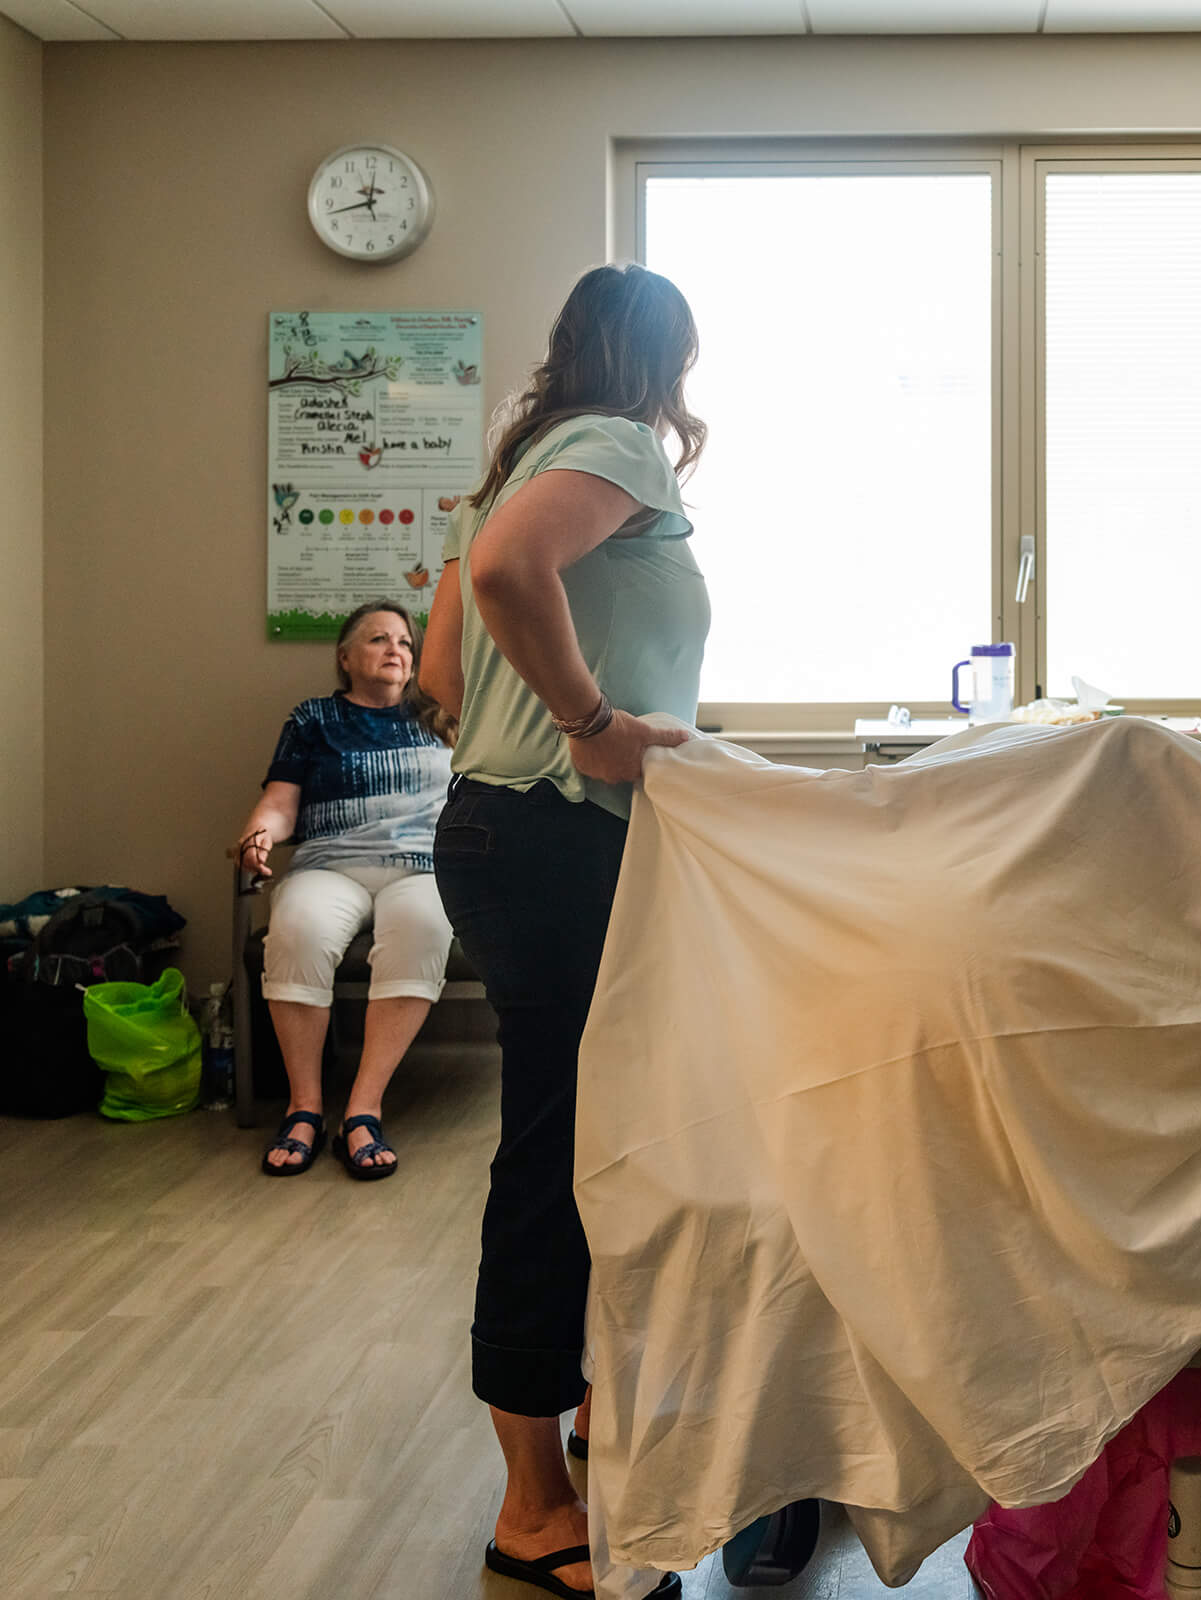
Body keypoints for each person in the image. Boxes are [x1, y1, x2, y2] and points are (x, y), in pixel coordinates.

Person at [419, 262, 705, 1600]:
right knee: (553, 1163)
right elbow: (501, 572)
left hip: (497, 834)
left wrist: (560, 720)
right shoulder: (616, 446)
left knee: (582, 1147)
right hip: (551, 843)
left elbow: (434, 675)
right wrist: (592, 729)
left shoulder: (524, 460)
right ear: (662, 360)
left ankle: (579, 1443)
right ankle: (534, 1511)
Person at [235, 600, 455, 1180]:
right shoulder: (313, 720)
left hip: (421, 866)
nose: (396, 651)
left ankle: (363, 1108)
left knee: (426, 926)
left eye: (406, 643)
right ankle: (304, 1106)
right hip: (330, 863)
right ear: (345, 657)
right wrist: (259, 835)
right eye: (380, 640)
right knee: (297, 928)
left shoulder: (443, 715)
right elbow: (281, 803)